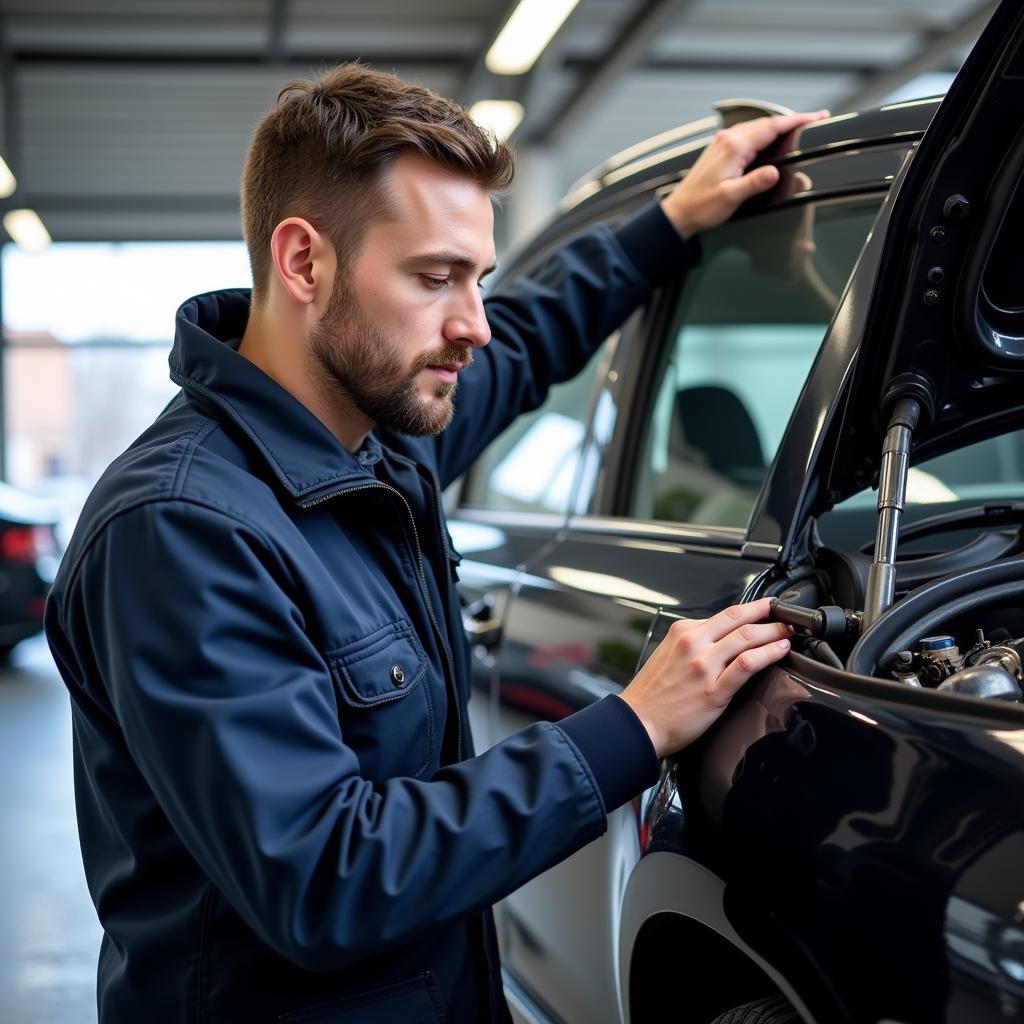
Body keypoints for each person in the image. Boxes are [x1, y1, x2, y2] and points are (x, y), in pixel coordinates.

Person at [44, 64, 823, 1023]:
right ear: (303, 262)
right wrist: (633, 727)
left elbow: (527, 344)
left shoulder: (375, 442)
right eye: (434, 277)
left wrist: (670, 223)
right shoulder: (181, 530)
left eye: (479, 277)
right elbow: (325, 878)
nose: (472, 323)